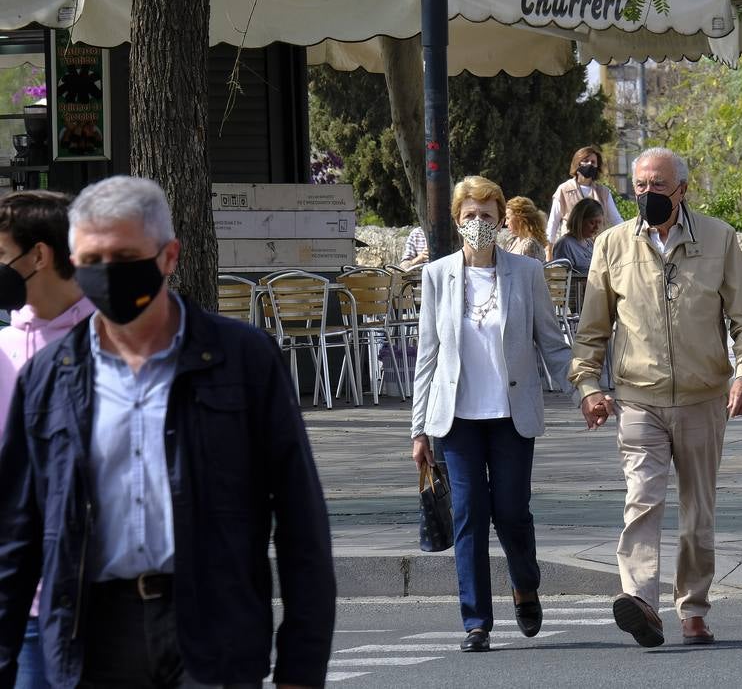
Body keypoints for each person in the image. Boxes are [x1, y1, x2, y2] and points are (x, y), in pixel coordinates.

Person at [0, 176, 335, 688]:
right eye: (91, 261)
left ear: (169, 257)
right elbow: (16, 537)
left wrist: (301, 668)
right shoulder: (50, 376)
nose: (108, 274)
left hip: (211, 629)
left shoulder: (242, 359)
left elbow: (300, 521)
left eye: (126, 255)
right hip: (93, 639)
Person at [569, 147, 742, 648]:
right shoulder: (612, 245)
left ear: (681, 188)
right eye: (639, 186)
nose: (646, 194)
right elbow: (592, 330)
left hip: (704, 398)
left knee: (697, 512)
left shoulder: (719, 239)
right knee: (642, 500)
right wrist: (589, 386)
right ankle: (640, 601)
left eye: (657, 185)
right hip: (638, 400)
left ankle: (694, 608)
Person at [410, 176, 572, 653]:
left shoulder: (525, 272)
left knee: (511, 512)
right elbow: (427, 355)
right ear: (457, 221)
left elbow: (551, 341)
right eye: (470, 215)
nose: (478, 223)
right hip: (455, 420)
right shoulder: (437, 274)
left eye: (487, 214)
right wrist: (418, 428)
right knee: (469, 515)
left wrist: (584, 389)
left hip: (510, 415)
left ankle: (525, 584)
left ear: (501, 217)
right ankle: (476, 620)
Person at [0, 192, 95, 689]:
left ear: (38, 256)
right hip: (18, 605)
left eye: (0, 256)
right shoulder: (3, 349)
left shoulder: (108, 343)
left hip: (90, 606)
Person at [545, 146, 622, 245]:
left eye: (593, 162)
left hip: (597, 247)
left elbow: (616, 220)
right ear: (578, 163)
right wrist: (548, 248)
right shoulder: (564, 190)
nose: (589, 164)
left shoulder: (603, 192)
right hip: (571, 247)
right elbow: (553, 223)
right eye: (586, 160)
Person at [550, 198, 604, 273]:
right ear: (579, 220)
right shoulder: (565, 244)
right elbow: (562, 278)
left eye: (599, 223)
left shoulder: (590, 243)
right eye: (592, 222)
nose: (597, 227)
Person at [503, 196, 548, 263]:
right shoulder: (513, 241)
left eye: (508, 218)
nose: (506, 223)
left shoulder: (530, 245)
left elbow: (527, 272)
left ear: (520, 219)